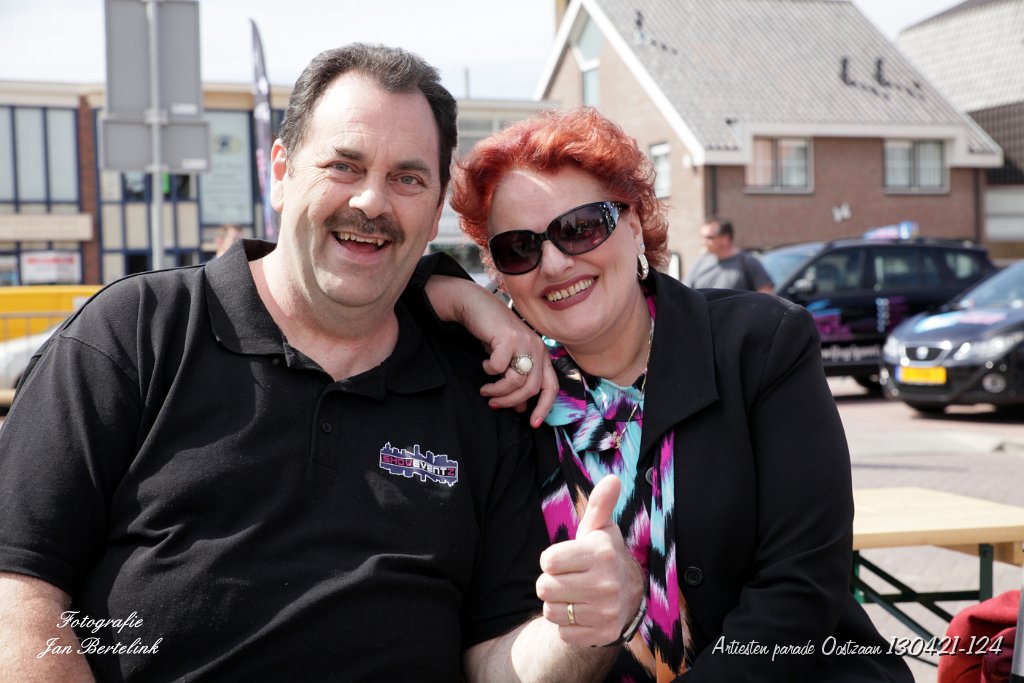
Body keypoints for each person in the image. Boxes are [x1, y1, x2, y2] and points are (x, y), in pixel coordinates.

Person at [0, 46, 640, 682]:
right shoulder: (136, 333)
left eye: (407, 179)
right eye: (343, 165)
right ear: (279, 172)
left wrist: (580, 631)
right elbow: (18, 592)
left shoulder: (483, 390)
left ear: (436, 208)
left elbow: (497, 661)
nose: (372, 201)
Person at [435, 106, 913, 681]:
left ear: (634, 224)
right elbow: (372, 280)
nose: (556, 263)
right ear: (498, 272)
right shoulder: (500, 387)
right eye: (519, 248)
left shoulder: (759, 344)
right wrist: (465, 300)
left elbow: (802, 586)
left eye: (581, 227)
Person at [685, 218, 774, 292]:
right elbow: (686, 293)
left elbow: (766, 297)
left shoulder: (748, 262)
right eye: (702, 237)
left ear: (725, 238)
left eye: (709, 238)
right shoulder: (700, 263)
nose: (704, 242)